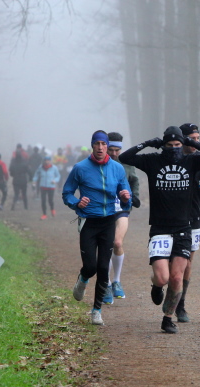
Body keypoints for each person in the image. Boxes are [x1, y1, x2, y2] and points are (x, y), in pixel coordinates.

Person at [119, 126, 200, 334]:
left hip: (184, 227)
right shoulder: (153, 161)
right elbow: (125, 157)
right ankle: (156, 286)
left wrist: (192, 143)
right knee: (162, 278)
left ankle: (167, 318)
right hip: (160, 228)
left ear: (183, 144)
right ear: (163, 145)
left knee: (176, 277)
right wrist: (147, 143)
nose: (174, 149)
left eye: (177, 145)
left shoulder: (191, 161)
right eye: (169, 145)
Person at [62, 130, 131, 325]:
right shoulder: (80, 168)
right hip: (88, 222)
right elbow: (67, 193)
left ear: (107, 146)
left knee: (103, 268)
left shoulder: (117, 169)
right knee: (91, 266)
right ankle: (83, 278)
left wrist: (125, 197)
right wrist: (77, 203)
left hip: (108, 221)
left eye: (103, 144)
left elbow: (126, 195)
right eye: (97, 144)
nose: (100, 147)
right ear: (92, 145)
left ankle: (96, 310)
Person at [172, 122, 200, 323]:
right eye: (192, 139)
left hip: (193, 216)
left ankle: (181, 304)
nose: (196, 142)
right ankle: (162, 285)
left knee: (188, 261)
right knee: (170, 262)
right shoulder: (171, 157)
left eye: (198, 138)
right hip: (171, 216)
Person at [102, 131, 141, 304]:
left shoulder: (127, 163)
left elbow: (134, 180)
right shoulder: (98, 163)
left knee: (117, 243)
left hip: (122, 209)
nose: (114, 153)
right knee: (106, 247)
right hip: (103, 210)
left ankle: (116, 281)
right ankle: (106, 284)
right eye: (111, 149)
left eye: (117, 150)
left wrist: (135, 196)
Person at [33, 155, 61, 220]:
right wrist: (34, 181)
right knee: (43, 201)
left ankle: (52, 209)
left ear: (50, 161)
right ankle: (44, 214)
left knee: (50, 200)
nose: (47, 162)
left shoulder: (54, 168)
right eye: (45, 160)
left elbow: (58, 176)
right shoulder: (40, 167)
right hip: (43, 186)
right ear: (44, 161)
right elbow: (36, 174)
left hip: (51, 186)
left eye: (48, 160)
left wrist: (55, 180)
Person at [9, 143, 30, 210]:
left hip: (16, 179)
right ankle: (26, 206)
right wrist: (30, 177)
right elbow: (28, 170)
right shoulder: (24, 160)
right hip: (23, 179)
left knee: (16, 193)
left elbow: (10, 169)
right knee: (24, 193)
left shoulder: (13, 161)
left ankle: (14, 203)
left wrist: (12, 175)